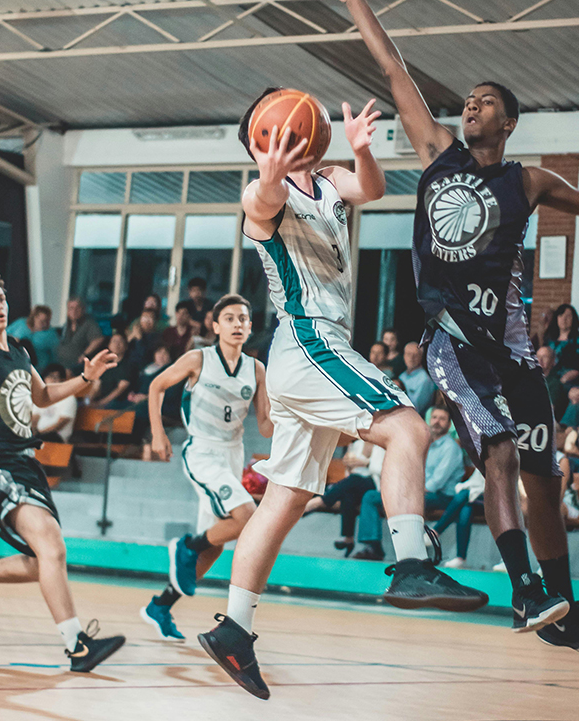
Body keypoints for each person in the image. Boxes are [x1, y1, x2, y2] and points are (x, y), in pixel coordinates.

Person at [317, 0, 579, 656]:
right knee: (497, 451)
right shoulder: (436, 150)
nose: (471, 104)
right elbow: (393, 71)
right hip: (451, 342)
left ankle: (565, 612)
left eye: (487, 102)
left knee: (543, 473)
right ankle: (525, 592)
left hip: (512, 352)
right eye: (469, 99)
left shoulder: (526, 181)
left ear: (507, 125)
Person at [198, 86, 488, 701]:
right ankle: (411, 562)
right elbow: (261, 199)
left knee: (286, 499)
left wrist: (362, 151)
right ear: (265, 140)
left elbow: (372, 191)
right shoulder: (260, 196)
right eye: (277, 126)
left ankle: (234, 628)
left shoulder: (329, 179)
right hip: (308, 346)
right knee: (407, 426)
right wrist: (269, 174)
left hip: (316, 351)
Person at [0, 267, 124, 672]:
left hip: (26, 463)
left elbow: (44, 395)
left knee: (43, 560)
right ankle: (77, 648)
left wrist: (85, 378)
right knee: (53, 548)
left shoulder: (18, 349)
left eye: (0, 298)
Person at [140, 295, 273, 642]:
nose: (238, 324)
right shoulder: (198, 359)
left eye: (243, 319)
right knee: (246, 517)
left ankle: (161, 605)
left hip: (233, 454)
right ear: (215, 326)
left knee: (214, 547)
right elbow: (155, 386)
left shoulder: (256, 369)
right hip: (201, 451)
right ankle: (186, 545)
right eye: (229, 318)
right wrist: (157, 434)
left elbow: (267, 425)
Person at [353, 407, 467, 560]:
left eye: (442, 419)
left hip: (442, 497)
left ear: (448, 424)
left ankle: (413, 556)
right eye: (434, 417)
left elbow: (436, 483)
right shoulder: (425, 444)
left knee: (403, 501)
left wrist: (409, 492)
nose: (437, 422)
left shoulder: (451, 448)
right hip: (421, 492)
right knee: (371, 496)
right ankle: (373, 547)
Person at [302, 438, 385, 557]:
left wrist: (365, 463)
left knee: (354, 481)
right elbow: (349, 474)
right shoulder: (357, 444)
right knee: (348, 493)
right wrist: (350, 466)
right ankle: (349, 539)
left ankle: (319, 501)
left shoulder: (381, 444)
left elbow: (380, 470)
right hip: (356, 485)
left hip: (374, 483)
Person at [429, 467, 485, 569]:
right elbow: (475, 482)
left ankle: (436, 532)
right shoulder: (483, 457)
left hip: (492, 501)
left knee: (463, 495)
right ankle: (461, 558)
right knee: (466, 508)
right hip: (475, 498)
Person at [545, 304, 579, 390]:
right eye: (561, 315)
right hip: (551, 379)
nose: (564, 319)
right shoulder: (550, 340)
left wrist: (562, 380)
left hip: (572, 382)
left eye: (568, 316)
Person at [31, 364, 78, 443]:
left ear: (62, 380)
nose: (52, 380)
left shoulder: (69, 398)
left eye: (56, 377)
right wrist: (34, 432)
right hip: (39, 435)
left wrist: (40, 434)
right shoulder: (42, 395)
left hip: (57, 436)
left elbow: (60, 423)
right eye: (50, 376)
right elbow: (35, 418)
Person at [57, 297, 104, 374]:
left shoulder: (89, 324)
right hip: (61, 364)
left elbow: (98, 339)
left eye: (77, 308)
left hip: (77, 366)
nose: (74, 311)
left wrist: (85, 354)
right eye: (71, 308)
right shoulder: (66, 325)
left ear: (83, 309)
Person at [91, 332, 131, 409]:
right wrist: (88, 400)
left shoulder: (128, 365)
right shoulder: (104, 364)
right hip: (101, 400)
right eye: (114, 341)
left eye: (120, 341)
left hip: (118, 403)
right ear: (109, 346)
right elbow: (96, 386)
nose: (117, 344)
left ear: (126, 346)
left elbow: (120, 389)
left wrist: (101, 403)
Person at [399, 341, 437, 416]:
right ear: (404, 356)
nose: (411, 358)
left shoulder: (425, 380)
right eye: (408, 354)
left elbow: (415, 408)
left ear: (421, 357)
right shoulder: (402, 376)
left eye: (415, 355)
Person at [536, 345, 568, 421]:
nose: (540, 360)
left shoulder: (555, 383)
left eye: (544, 357)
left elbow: (549, 409)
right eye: (538, 356)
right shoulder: (530, 379)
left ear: (553, 361)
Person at [127, 308, 161, 373]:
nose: (147, 321)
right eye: (145, 318)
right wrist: (131, 336)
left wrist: (139, 339)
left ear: (155, 321)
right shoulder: (134, 334)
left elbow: (144, 357)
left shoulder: (157, 337)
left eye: (150, 318)